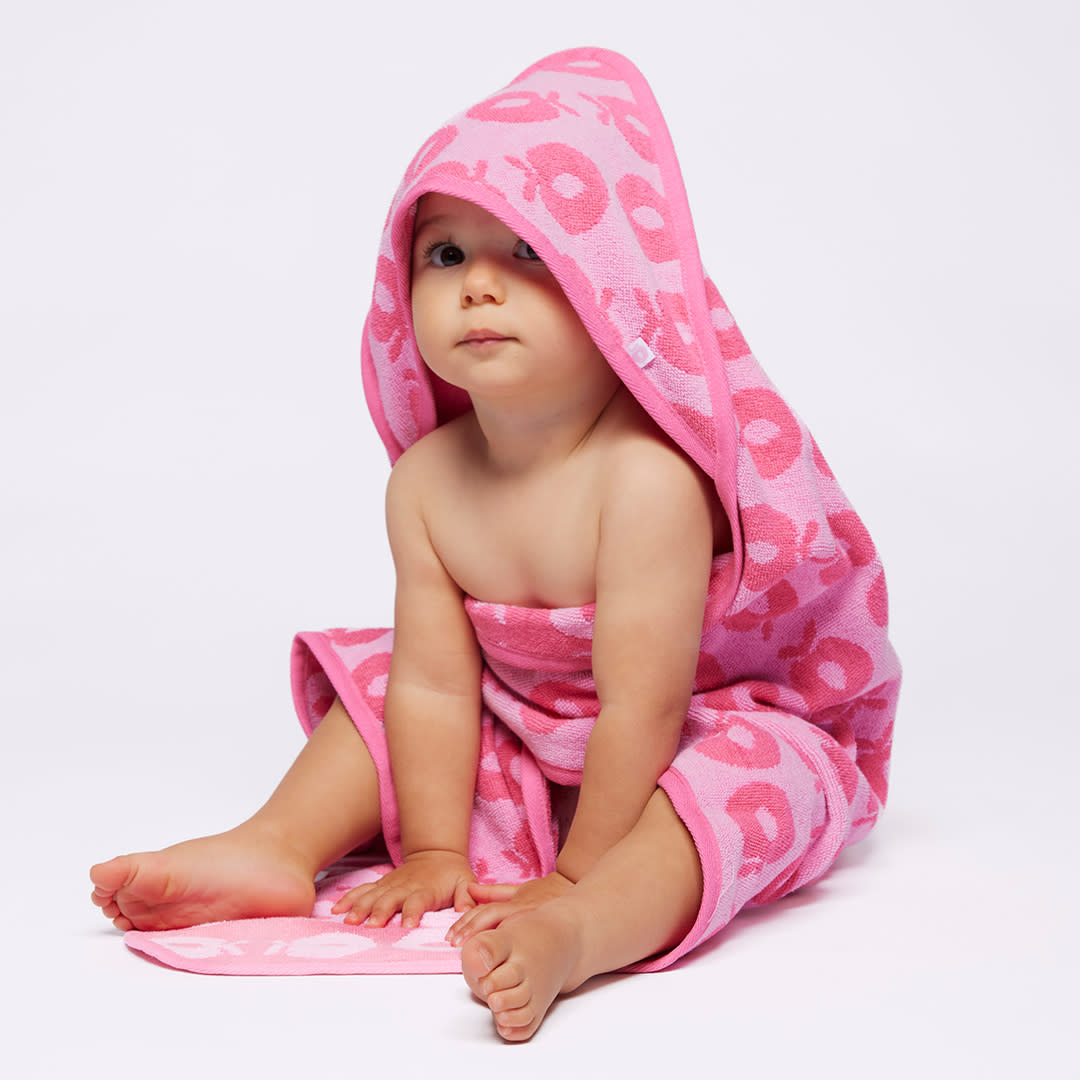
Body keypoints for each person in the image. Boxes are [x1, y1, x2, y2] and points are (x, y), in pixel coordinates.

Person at [91, 48, 900, 1042]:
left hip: (680, 736)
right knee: (382, 675)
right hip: (524, 739)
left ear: (613, 288)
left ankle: (592, 925)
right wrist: (435, 854)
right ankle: (275, 844)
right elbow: (438, 687)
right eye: (445, 255)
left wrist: (576, 873)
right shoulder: (427, 482)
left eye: (527, 252)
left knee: (761, 775)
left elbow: (642, 706)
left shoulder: (646, 479)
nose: (478, 286)